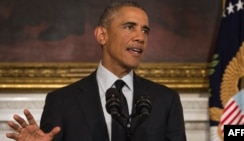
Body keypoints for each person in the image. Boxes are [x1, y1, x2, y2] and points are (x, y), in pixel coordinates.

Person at [6, 1, 186, 141]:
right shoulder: (61, 102)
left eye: (145, 30)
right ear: (102, 35)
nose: (140, 37)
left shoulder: (166, 100)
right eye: (130, 27)